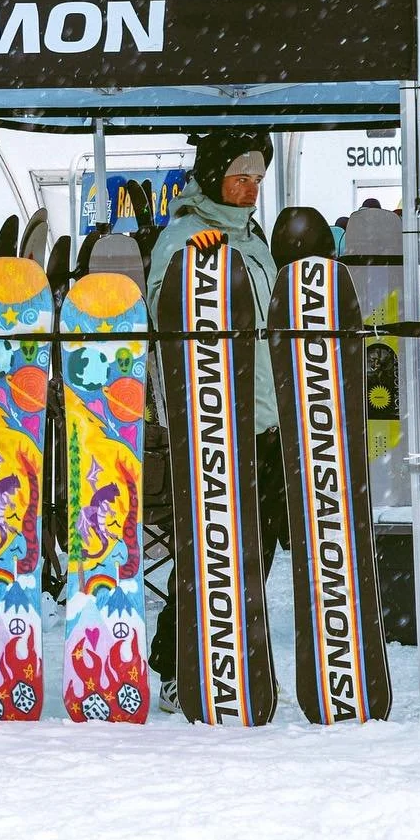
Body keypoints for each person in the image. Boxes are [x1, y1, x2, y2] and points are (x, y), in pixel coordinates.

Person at [146, 129, 284, 713]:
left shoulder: (254, 239)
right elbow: (160, 308)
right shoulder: (182, 235)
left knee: (261, 542)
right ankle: (178, 659)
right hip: (212, 418)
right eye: (240, 176)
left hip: (268, 415)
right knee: (210, 545)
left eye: (257, 178)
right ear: (212, 175)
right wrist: (188, 270)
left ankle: (234, 653)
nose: (250, 188)